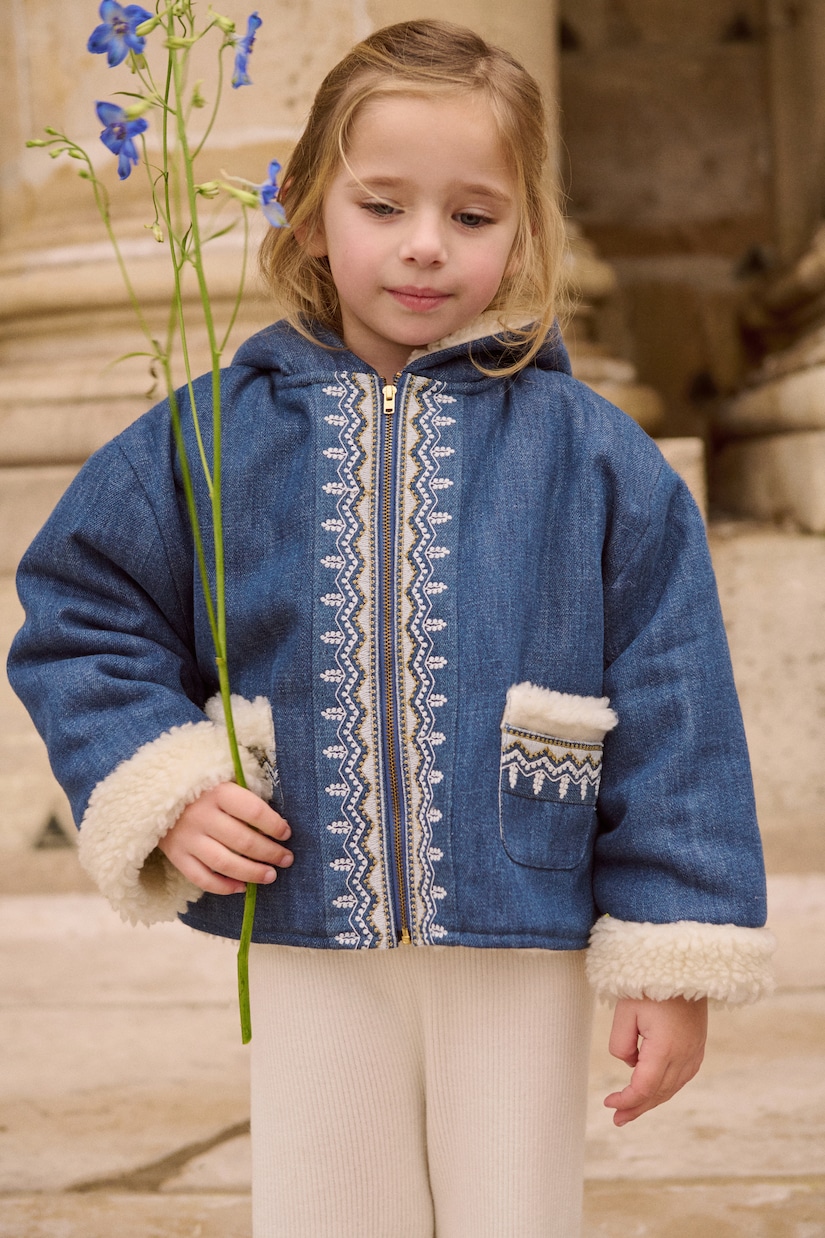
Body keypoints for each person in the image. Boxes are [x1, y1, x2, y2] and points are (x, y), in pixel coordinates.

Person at [8, 19, 775, 1238]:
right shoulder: (214, 433)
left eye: (473, 214)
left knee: (514, 1218)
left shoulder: (593, 455)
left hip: (523, 931)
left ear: (523, 231)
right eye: (383, 204)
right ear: (312, 212)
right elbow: (82, 613)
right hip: (307, 916)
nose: (426, 243)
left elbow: (677, 701)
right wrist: (171, 783)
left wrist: (674, 957)